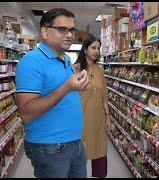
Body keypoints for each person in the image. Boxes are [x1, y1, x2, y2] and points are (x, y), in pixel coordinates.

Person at [15, 8, 89, 178]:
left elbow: (60, 92)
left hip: (75, 142)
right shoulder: (31, 62)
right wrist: (67, 87)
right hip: (49, 147)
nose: (69, 35)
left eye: (72, 30)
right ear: (44, 31)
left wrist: (77, 85)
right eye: (62, 29)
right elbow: (26, 112)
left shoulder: (66, 59)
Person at [74, 35, 110, 177]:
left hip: (98, 118)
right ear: (85, 49)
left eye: (98, 48)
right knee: (79, 154)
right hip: (80, 118)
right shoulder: (75, 69)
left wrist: (108, 116)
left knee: (100, 151)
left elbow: (104, 96)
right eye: (93, 48)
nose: (97, 51)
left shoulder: (100, 70)